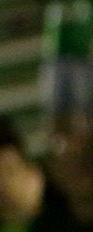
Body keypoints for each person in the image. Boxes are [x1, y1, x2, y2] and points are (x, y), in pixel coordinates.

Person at [41, 0, 93, 133]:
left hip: (82, 59)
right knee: (55, 109)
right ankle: (60, 143)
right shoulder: (55, 6)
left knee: (84, 107)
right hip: (55, 60)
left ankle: (86, 145)